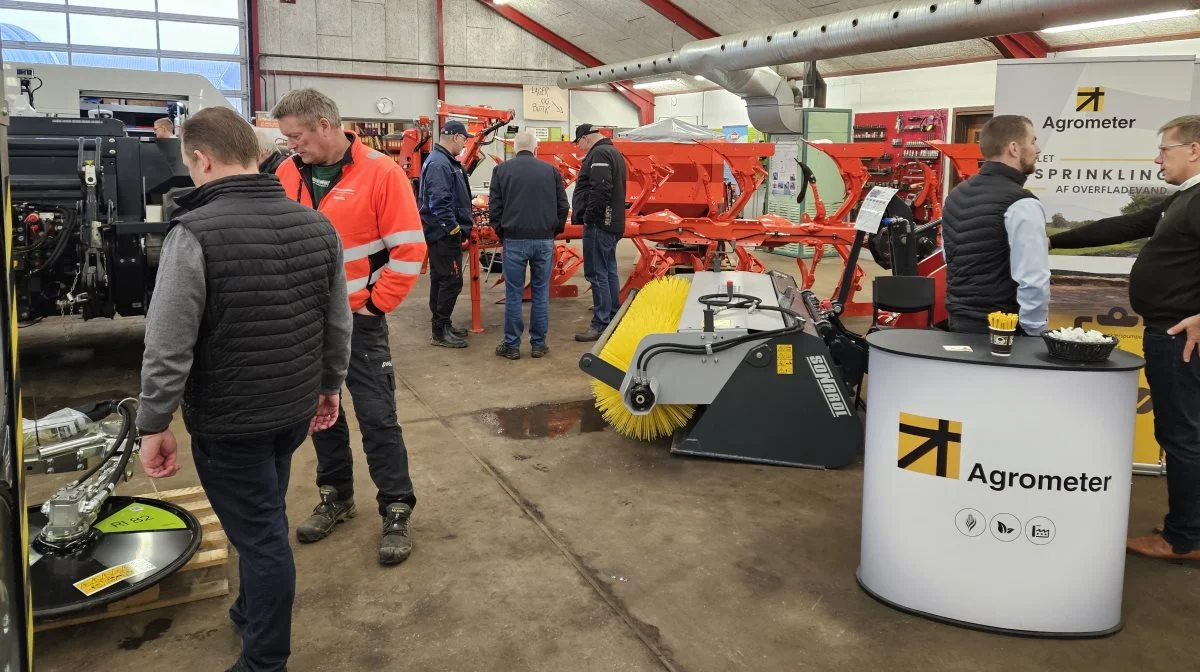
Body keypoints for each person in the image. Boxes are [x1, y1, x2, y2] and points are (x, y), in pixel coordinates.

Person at [136, 106, 351, 672]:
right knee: (265, 517)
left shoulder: (194, 234)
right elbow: (337, 323)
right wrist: (330, 387)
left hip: (231, 422)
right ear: (256, 156)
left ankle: (264, 660)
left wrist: (154, 422)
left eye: (190, 166)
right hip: (292, 410)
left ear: (202, 159)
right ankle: (250, 610)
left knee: (261, 539)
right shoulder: (316, 224)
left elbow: (167, 343)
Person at [272, 88, 426, 566]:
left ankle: (396, 506)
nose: (291, 146)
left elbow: (409, 249)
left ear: (324, 124)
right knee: (322, 415)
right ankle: (336, 495)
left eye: (296, 136)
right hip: (306, 323)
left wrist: (375, 307)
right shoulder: (285, 173)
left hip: (360, 323)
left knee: (378, 416)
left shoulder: (381, 174)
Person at [1048, 115, 1200, 562]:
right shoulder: (1185, 199)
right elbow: (1123, 226)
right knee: (1186, 431)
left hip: (1179, 336)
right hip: (1169, 331)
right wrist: (1054, 241)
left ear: (1195, 148)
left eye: (1165, 149)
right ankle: (1189, 526)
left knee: (1182, 434)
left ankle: (1183, 539)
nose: (1157, 158)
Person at [941, 115, 1050, 335]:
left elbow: (950, 257)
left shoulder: (956, 194)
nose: (1037, 149)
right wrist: (1034, 330)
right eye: (1032, 141)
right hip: (1003, 328)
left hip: (959, 320)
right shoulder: (1021, 203)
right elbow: (1033, 279)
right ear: (1014, 148)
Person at [488, 131, 569, 359]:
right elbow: (563, 206)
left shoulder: (501, 170)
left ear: (514, 148)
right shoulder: (550, 171)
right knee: (541, 292)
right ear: (536, 149)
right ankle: (538, 344)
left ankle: (512, 346)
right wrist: (553, 230)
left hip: (514, 239)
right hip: (543, 240)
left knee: (514, 294)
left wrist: (502, 231)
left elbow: (494, 208)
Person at [419, 120, 476, 348]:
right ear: (455, 137)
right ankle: (440, 332)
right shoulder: (440, 164)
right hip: (443, 234)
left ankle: (443, 324)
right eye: (464, 139)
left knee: (441, 279)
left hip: (440, 232)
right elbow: (439, 202)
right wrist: (453, 229)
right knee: (451, 281)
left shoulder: (444, 161)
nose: (465, 145)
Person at [571, 123, 627, 342]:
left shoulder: (600, 153)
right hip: (611, 223)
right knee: (608, 271)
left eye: (579, 144)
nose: (580, 149)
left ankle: (601, 323)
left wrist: (589, 217)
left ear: (585, 138)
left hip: (600, 225)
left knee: (596, 273)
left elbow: (601, 188)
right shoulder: (612, 151)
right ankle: (613, 318)